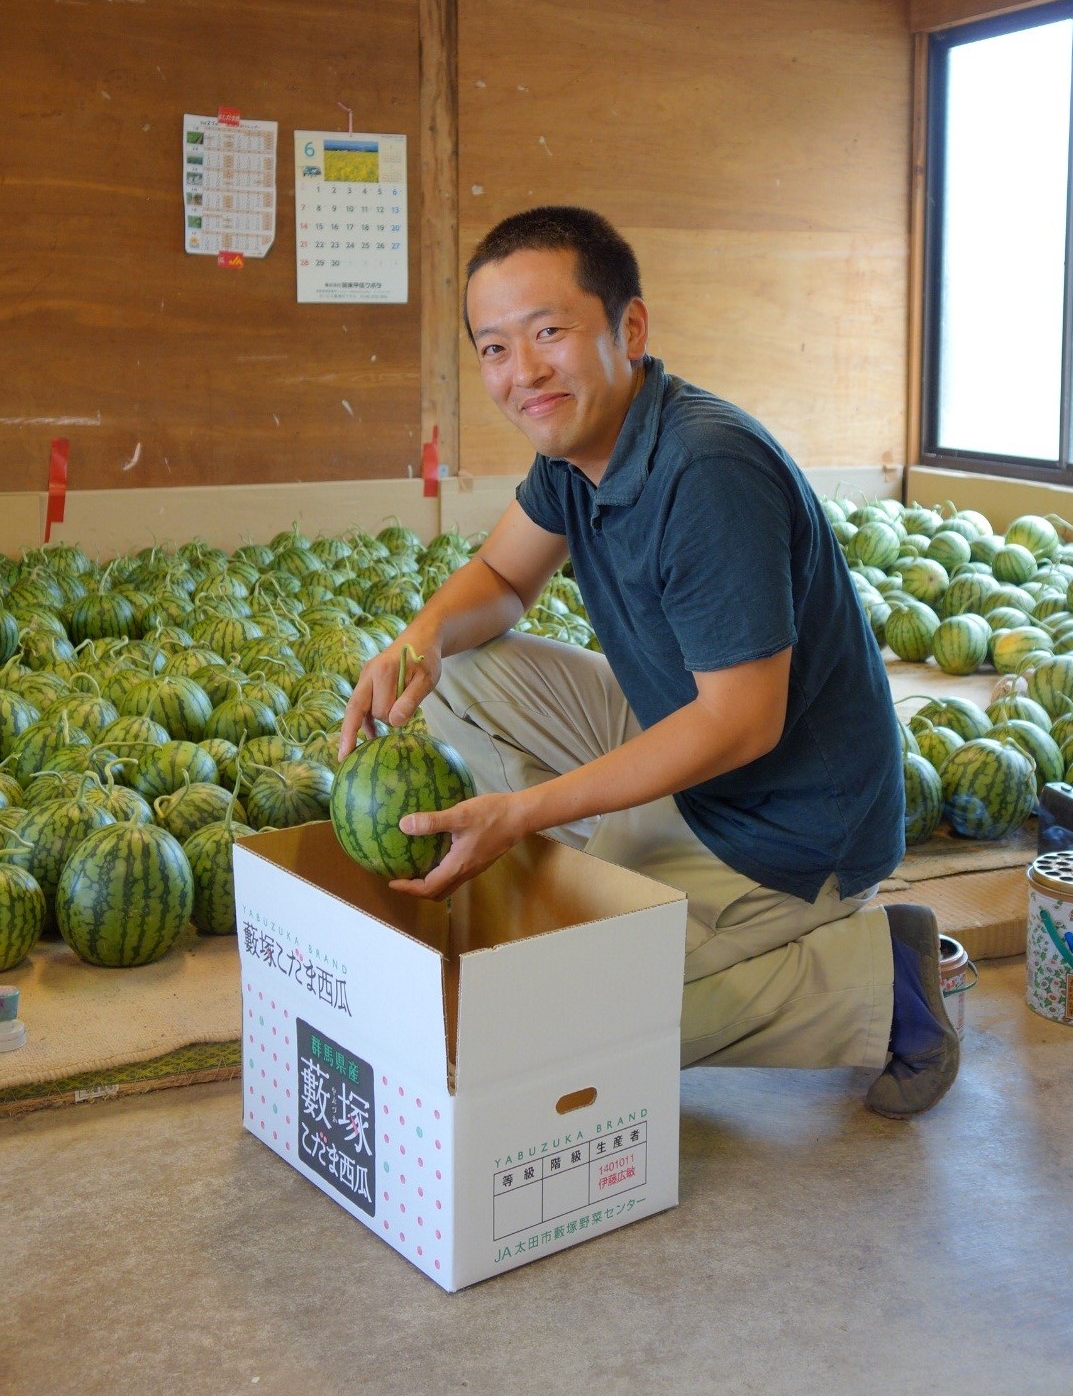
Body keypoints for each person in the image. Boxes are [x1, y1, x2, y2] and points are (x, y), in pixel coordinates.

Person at [340, 206, 959, 1118]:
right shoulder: (573, 446)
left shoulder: (706, 473)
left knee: (563, 1030)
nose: (523, 373)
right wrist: (417, 639)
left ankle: (881, 978)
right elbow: (503, 579)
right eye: (496, 348)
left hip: (788, 823)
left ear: (629, 330)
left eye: (549, 333)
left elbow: (743, 722)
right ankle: (611, 879)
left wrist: (526, 810)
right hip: (688, 740)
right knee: (461, 672)